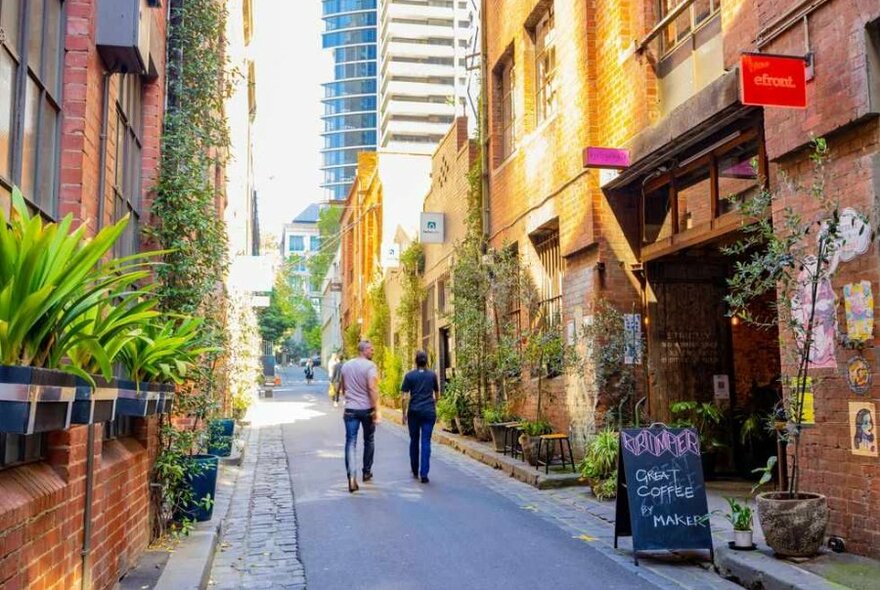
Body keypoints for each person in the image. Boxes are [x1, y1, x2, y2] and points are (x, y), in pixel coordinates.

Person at [338, 340, 380, 492]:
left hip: (350, 409)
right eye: (371, 349)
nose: (373, 351)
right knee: (369, 439)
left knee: (351, 442)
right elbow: (372, 388)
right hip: (367, 409)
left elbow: (343, 388)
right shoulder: (370, 366)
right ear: (363, 350)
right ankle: (367, 472)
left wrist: (350, 398)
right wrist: (376, 409)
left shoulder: (346, 366)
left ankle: (351, 476)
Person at [401, 350, 439, 484]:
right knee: (426, 441)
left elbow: (405, 397)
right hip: (429, 412)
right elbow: (437, 394)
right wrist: (435, 406)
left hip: (414, 412)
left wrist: (403, 414)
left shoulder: (409, 376)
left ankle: (414, 468)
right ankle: (424, 473)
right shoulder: (432, 375)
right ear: (426, 361)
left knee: (414, 440)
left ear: (415, 362)